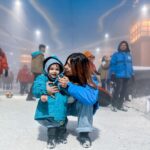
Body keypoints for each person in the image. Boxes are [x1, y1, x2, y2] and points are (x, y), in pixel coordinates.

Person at [58, 53, 99, 148]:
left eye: (69, 65)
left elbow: (90, 99)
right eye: (66, 63)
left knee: (85, 101)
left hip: (79, 108)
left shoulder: (90, 79)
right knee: (57, 97)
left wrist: (70, 85)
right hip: (65, 107)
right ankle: (60, 126)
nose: (65, 67)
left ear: (78, 67)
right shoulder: (61, 76)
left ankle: (84, 133)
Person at [32, 56, 68, 149]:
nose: (54, 71)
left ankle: (61, 135)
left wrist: (65, 86)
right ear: (47, 69)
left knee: (62, 122)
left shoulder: (62, 78)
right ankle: (51, 138)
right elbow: (36, 88)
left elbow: (68, 90)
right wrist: (44, 91)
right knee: (51, 123)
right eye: (51, 69)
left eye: (57, 69)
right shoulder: (42, 78)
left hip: (60, 105)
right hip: (48, 106)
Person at [109, 41, 134, 112]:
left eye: (125, 45)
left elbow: (130, 66)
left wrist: (132, 74)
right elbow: (112, 65)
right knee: (118, 89)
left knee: (124, 91)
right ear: (119, 46)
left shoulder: (129, 55)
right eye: (122, 45)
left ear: (127, 46)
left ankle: (120, 105)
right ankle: (113, 105)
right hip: (118, 75)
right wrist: (113, 73)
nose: (123, 46)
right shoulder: (116, 55)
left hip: (127, 75)